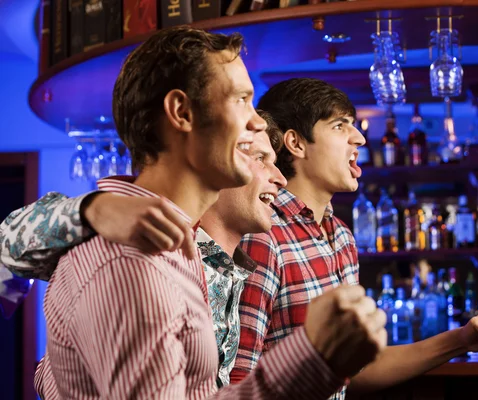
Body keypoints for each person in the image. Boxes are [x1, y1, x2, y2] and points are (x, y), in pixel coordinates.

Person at [3, 27, 386, 399]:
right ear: (182, 112)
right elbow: (9, 249)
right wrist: (311, 358)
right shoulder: (135, 256)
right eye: (240, 99)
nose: (257, 121)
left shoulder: (183, 249)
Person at [229, 78, 478, 398]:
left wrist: (462, 339)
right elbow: (240, 382)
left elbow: (352, 372)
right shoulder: (264, 238)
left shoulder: (342, 238)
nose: (360, 137)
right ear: (296, 143)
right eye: (339, 126)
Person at [0, 111, 288, 390]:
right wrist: (94, 208)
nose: (280, 178)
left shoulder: (233, 267)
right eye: (260, 158)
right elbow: (7, 241)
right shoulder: (138, 240)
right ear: (217, 164)